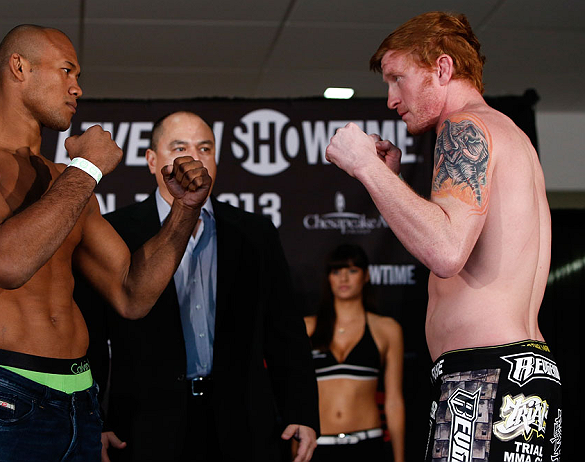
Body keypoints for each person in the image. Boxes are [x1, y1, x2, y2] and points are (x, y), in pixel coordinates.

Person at [0, 25, 211, 461]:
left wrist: (184, 211)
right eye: (67, 71)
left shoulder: (64, 179)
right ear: (19, 67)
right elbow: (8, 262)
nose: (78, 88)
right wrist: (88, 167)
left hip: (81, 398)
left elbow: (133, 294)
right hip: (2, 396)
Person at [325, 11, 560, 462]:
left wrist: (365, 166)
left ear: (443, 68)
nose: (391, 99)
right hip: (522, 374)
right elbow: (460, 233)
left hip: (483, 377)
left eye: (398, 79)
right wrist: (388, 181)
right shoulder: (510, 135)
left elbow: (447, 250)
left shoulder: (464, 127)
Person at [88, 111, 319, 462]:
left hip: (242, 424)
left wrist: (301, 411)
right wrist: (96, 419)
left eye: (205, 148)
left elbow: (284, 330)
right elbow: (93, 334)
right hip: (145, 426)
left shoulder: (255, 232)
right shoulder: (116, 231)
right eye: (179, 147)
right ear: (152, 161)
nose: (193, 158)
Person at [304, 244, 404, 462]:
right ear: (328, 278)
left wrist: (399, 458)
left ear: (366, 275)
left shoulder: (387, 329)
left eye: (352, 271)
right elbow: (296, 394)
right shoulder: (307, 328)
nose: (343, 279)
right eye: (336, 271)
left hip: (367, 444)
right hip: (318, 446)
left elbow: (394, 400)